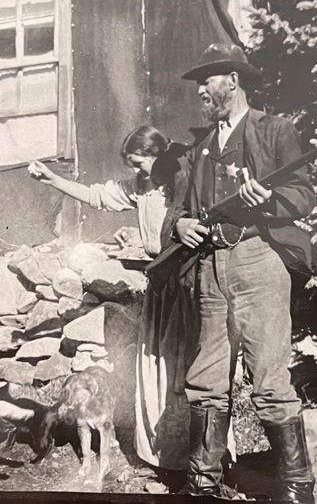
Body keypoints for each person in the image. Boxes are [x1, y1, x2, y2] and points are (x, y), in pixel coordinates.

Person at [171, 43, 316, 502]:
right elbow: (177, 209)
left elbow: (303, 194)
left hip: (259, 260)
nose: (200, 90)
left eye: (207, 79)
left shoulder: (275, 130)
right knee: (207, 377)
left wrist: (268, 200)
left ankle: (297, 488)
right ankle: (203, 482)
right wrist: (180, 223)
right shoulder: (198, 148)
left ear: (232, 80)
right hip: (211, 266)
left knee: (269, 376)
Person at [28, 125, 192, 471]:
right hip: (159, 283)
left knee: (181, 366)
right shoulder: (142, 188)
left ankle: (189, 457)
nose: (135, 171)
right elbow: (96, 196)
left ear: (157, 156)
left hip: (184, 281)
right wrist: (52, 179)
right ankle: (160, 454)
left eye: (139, 163)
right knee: (155, 366)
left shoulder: (181, 186)